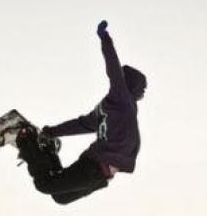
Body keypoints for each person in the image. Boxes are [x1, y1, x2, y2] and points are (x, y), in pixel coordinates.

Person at [15, 21, 147, 205]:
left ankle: (48, 149)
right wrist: (105, 39)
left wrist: (51, 131)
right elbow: (114, 69)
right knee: (46, 185)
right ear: (130, 86)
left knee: (61, 197)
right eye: (142, 90)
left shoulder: (107, 108)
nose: (142, 95)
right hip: (96, 166)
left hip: (100, 173)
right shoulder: (122, 99)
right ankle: (27, 142)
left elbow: (82, 124)